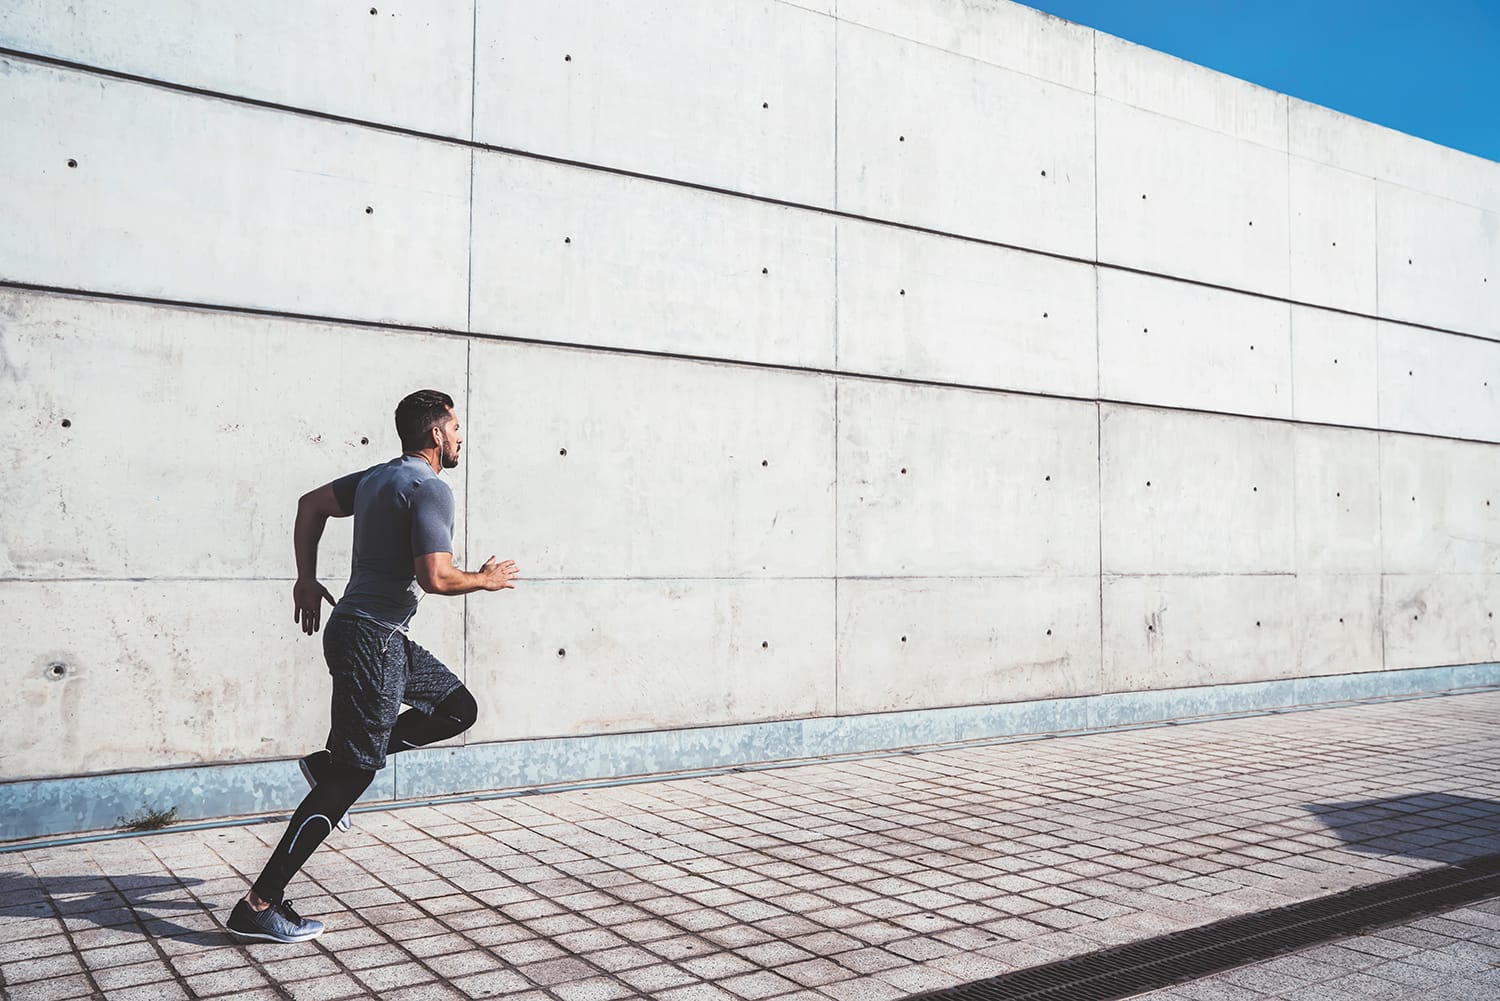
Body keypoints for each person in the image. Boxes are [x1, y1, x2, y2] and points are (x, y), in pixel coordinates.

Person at [226, 390, 518, 943]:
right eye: (455, 428)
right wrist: (485, 578)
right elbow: (436, 576)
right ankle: (259, 903)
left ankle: (330, 761)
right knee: (351, 778)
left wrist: (307, 577)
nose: (459, 437)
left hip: (375, 634)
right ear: (435, 435)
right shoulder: (430, 488)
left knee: (457, 709)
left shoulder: (378, 478)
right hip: (373, 641)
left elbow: (310, 504)